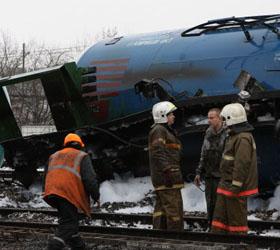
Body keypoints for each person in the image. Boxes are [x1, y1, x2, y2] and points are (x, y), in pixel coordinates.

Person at [43, 133, 100, 250]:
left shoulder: (53, 155)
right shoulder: (82, 156)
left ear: (65, 144)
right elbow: (90, 179)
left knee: (70, 220)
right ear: (80, 145)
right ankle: (53, 246)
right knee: (69, 223)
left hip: (52, 192)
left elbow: (46, 175)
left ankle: (79, 246)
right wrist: (96, 196)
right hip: (68, 192)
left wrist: (46, 190)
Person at [211, 103, 258, 234]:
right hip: (226, 184)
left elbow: (241, 164)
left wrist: (236, 186)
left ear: (232, 119)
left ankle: (238, 243)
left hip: (234, 187)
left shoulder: (242, 138)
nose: (223, 122)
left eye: (225, 119)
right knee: (220, 220)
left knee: (236, 223)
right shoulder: (234, 136)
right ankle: (220, 242)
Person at [148, 101, 184, 231]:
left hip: (167, 177)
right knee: (174, 210)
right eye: (171, 114)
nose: (173, 116)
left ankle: (159, 234)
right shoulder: (159, 130)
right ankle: (176, 237)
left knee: (161, 209)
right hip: (167, 178)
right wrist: (167, 171)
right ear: (163, 115)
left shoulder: (164, 131)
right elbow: (158, 152)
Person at [194, 108, 227, 227]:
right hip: (209, 175)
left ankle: (221, 228)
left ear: (220, 118)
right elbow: (204, 153)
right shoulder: (208, 132)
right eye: (208, 117)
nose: (209, 120)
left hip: (222, 176)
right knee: (210, 203)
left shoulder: (227, 133)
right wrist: (198, 172)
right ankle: (211, 226)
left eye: (212, 118)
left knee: (221, 205)